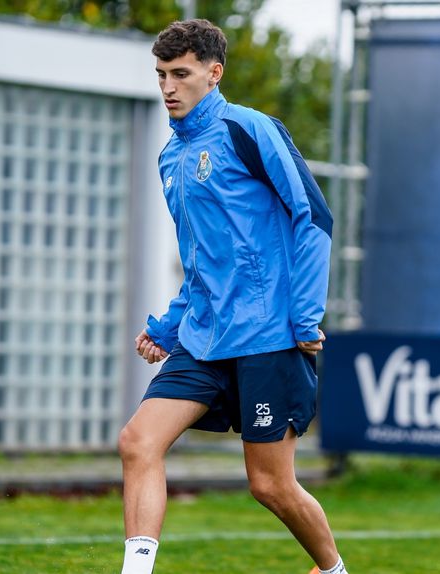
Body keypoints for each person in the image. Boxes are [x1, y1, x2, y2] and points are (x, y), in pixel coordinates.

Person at [117, 18, 348, 574]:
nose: (167, 87)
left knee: (270, 486)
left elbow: (312, 217)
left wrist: (305, 316)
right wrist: (169, 328)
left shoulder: (250, 129)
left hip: (268, 336)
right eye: (160, 75)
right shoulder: (170, 158)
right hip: (203, 338)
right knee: (137, 442)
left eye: (181, 74)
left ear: (213, 73)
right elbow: (202, 261)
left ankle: (334, 571)